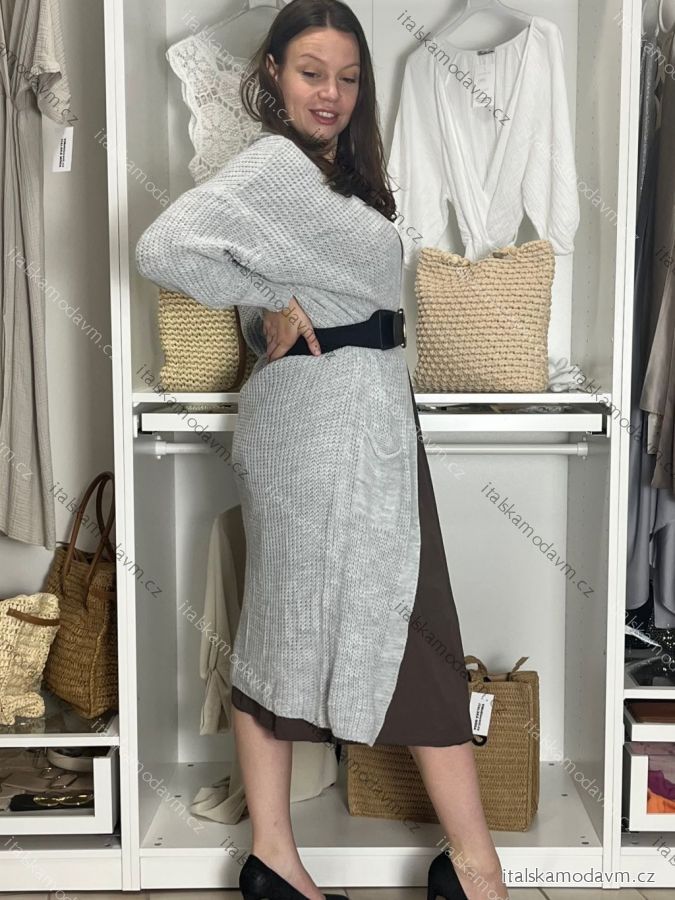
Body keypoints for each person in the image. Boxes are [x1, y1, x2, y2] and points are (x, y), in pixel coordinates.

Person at [135, 2, 509, 899]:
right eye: (310, 73)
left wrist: (268, 299)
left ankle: (282, 861)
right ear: (272, 72)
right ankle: (469, 867)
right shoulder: (270, 166)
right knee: (354, 624)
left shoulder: (337, 172)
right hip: (316, 425)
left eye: (346, 76)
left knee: (352, 622)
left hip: (364, 414)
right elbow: (161, 246)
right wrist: (267, 305)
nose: (330, 93)